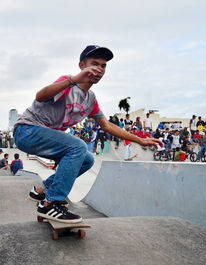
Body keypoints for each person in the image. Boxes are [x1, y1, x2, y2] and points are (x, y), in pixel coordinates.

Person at [13, 45, 162, 223]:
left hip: (42, 138)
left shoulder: (90, 100)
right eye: (94, 64)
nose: (99, 69)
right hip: (27, 130)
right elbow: (40, 96)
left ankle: (42, 191)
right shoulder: (67, 83)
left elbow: (107, 126)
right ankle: (51, 203)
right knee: (78, 146)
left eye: (103, 66)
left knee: (87, 159)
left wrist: (140, 140)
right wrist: (73, 79)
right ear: (82, 65)